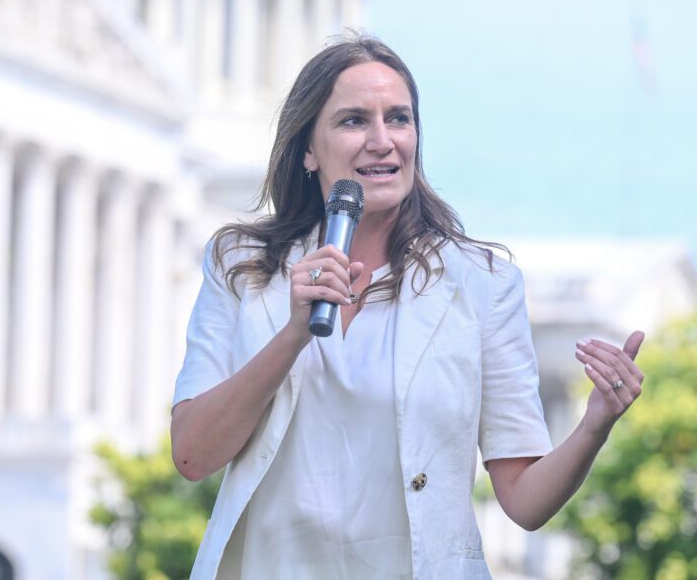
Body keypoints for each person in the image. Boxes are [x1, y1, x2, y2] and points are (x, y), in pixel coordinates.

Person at [170, 34, 645, 580]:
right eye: (353, 121)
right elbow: (192, 455)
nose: (382, 141)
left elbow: (524, 500)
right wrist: (292, 335)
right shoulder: (243, 266)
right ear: (307, 148)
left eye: (398, 118)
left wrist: (594, 426)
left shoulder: (482, 284)